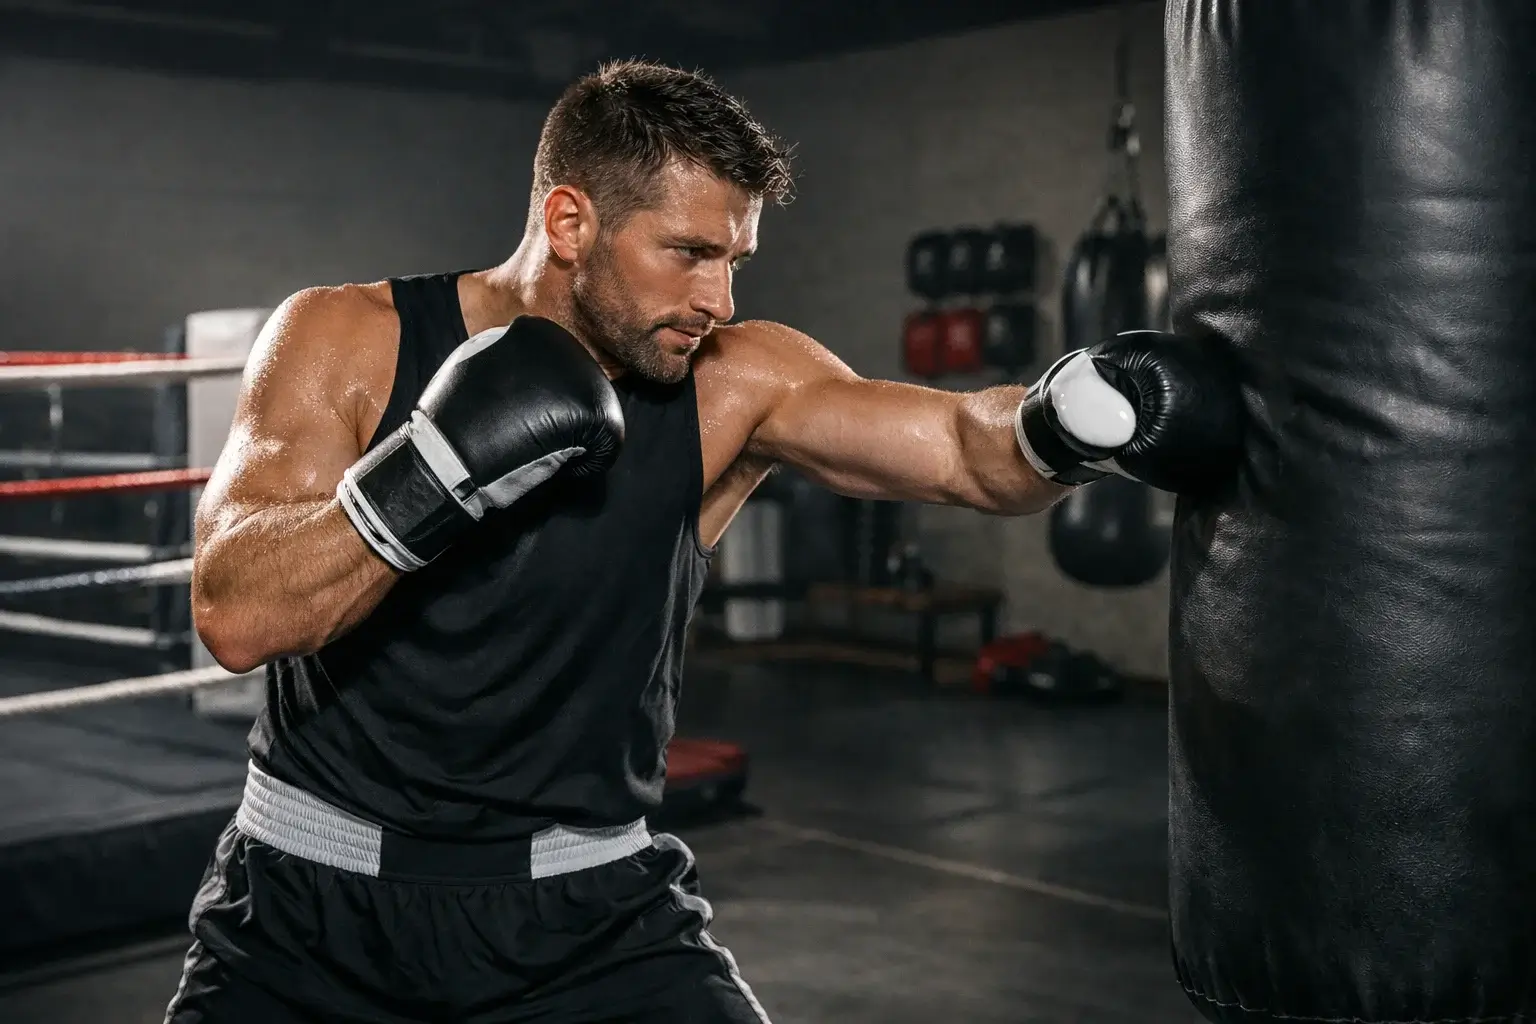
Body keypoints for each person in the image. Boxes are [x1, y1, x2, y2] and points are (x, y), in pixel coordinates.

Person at [165, 59, 1237, 1024]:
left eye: (735, 258)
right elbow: (236, 612)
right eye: (687, 254)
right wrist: (435, 469)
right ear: (570, 220)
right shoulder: (345, 340)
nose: (716, 298)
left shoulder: (736, 380)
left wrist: (1066, 422)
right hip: (310, 915)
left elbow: (964, 448)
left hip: (589, 923)